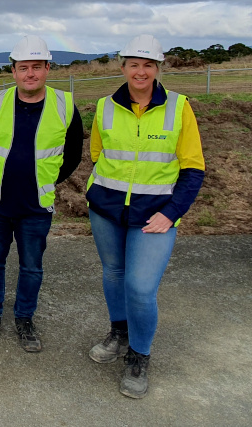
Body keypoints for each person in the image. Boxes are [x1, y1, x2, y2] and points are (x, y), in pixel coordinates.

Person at [85, 35, 205, 399]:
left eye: (148, 64)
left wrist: (171, 213)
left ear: (158, 68)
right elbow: (97, 153)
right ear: (122, 67)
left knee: (139, 287)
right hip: (106, 211)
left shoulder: (179, 107)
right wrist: (108, 197)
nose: (141, 71)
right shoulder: (105, 106)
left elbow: (193, 168)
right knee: (114, 274)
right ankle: (119, 333)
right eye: (134, 64)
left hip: (155, 216)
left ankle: (139, 355)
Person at [0, 35, 83, 352]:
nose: (30, 74)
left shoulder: (65, 105)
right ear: (14, 71)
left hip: (36, 208)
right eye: (24, 68)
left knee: (32, 267)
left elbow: (73, 154)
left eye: (37, 67)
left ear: (48, 68)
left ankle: (25, 318)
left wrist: (47, 180)